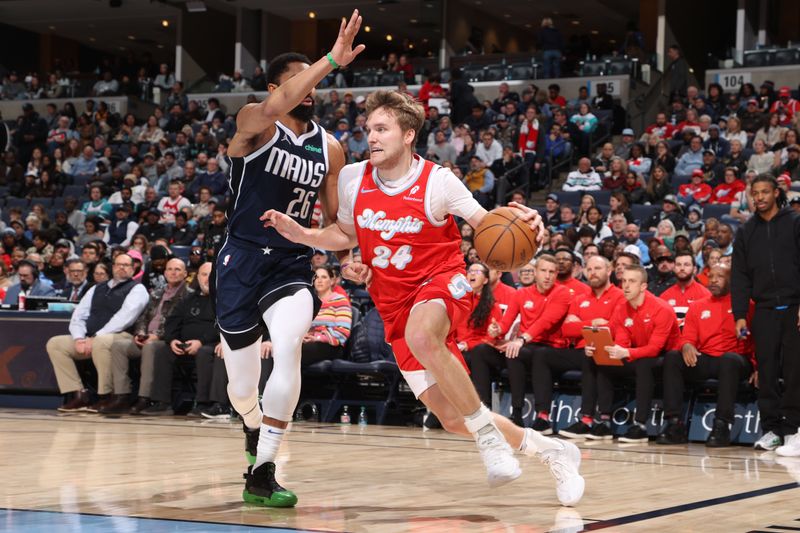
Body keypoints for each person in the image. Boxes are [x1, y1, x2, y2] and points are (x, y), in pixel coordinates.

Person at [262, 90, 584, 506]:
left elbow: (490, 226)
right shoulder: (352, 178)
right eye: (368, 129)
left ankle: (489, 440)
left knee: (422, 335)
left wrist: (527, 219)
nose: (371, 137)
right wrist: (306, 236)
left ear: (409, 134)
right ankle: (552, 451)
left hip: (442, 283)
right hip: (392, 302)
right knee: (451, 417)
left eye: (382, 129)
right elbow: (346, 235)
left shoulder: (438, 181)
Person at [215, 13, 361, 508]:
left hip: (291, 263)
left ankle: (265, 470)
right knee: (240, 389)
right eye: (302, 79)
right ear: (279, 86)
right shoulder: (254, 123)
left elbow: (339, 228)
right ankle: (253, 427)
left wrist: (339, 249)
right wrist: (331, 60)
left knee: (290, 343)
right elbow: (277, 102)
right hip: (240, 261)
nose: (313, 88)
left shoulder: (331, 148)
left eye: (317, 80)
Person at [731, 174, 800, 455]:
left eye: (764, 192)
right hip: (764, 309)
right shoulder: (746, 232)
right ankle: (773, 430)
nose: (759, 197)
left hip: (795, 307)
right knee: (767, 371)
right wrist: (739, 314)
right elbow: (739, 277)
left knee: (795, 370)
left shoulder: (795, 222)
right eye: (754, 193)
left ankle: (795, 429)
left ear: (776, 193)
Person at [658, 265, 755, 447]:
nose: (714, 280)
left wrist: (758, 367)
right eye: (711, 276)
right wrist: (686, 345)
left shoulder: (745, 306)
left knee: (729, 360)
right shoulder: (697, 306)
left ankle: (722, 425)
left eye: (720, 276)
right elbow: (687, 337)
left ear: (731, 280)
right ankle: (674, 423)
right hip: (707, 358)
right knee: (672, 357)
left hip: (736, 360)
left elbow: (756, 339)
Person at [45, 254, 149, 412]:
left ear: (133, 268)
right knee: (55, 343)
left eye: (127, 265)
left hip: (122, 336)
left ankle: (106, 396)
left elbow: (124, 318)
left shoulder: (137, 289)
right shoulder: (97, 288)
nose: (122, 267)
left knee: (102, 342)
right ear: (112, 267)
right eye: (119, 264)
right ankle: (79, 394)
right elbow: (79, 315)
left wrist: (95, 337)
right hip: (90, 338)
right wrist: (79, 338)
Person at [589, 265, 681, 442]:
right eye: (623, 281)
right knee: (605, 363)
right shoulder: (622, 307)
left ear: (643, 287)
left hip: (667, 359)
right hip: (638, 354)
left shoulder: (662, 309)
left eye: (632, 281)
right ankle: (604, 422)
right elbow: (622, 340)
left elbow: (654, 349)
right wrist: (598, 348)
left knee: (644, 363)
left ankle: (640, 425)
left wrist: (625, 351)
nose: (626, 286)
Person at [101, 258, 190, 415]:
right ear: (164, 273)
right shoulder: (156, 292)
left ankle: (145, 397)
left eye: (177, 269)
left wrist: (157, 336)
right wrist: (140, 334)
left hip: (166, 342)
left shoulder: (188, 296)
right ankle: (121, 395)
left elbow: (179, 324)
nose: (173, 272)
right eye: (170, 269)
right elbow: (142, 318)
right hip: (146, 338)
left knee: (150, 347)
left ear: (185, 274)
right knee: (118, 346)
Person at [559, 256, 626, 439]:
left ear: (609, 270)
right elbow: (566, 330)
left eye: (597, 268)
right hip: (580, 350)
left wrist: (580, 324)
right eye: (589, 269)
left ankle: (600, 420)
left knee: (596, 354)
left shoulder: (620, 296)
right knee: (541, 355)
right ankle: (546, 417)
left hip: (609, 350)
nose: (593, 273)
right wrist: (593, 322)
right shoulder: (579, 298)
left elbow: (613, 327)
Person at [148, 262, 227, 418]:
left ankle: (203, 403)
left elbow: (222, 325)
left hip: (211, 344)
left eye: (211, 275)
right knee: (163, 350)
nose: (207, 279)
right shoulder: (188, 299)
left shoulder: (224, 299)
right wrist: (172, 340)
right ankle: (162, 403)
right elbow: (171, 322)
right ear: (197, 277)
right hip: (185, 344)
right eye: (204, 274)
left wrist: (201, 342)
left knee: (205, 353)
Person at [659, 251, 711, 325]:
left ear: (695, 269)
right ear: (674, 268)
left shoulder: (705, 295)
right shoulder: (664, 296)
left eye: (686, 265)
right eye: (678, 265)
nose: (682, 268)